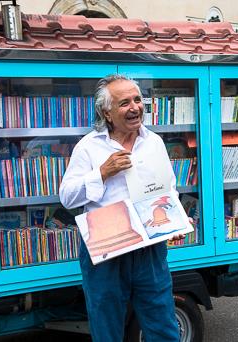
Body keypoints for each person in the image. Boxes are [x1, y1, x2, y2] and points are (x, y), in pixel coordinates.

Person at [59, 74, 183, 341]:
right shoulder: (88, 147)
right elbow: (67, 197)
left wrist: (175, 221)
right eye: (124, 102)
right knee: (107, 329)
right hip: (107, 247)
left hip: (149, 247)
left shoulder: (154, 143)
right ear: (107, 111)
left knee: (163, 326)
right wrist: (102, 173)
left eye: (138, 100)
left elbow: (168, 188)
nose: (135, 107)